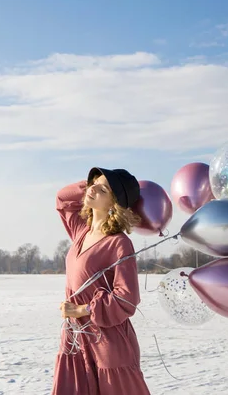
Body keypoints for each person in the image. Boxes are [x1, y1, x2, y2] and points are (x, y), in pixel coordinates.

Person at [51, 167, 151, 395]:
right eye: (93, 182)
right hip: (75, 339)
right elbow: (63, 198)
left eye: (103, 189)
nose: (93, 188)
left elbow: (127, 299)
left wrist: (81, 309)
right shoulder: (80, 231)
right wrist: (93, 185)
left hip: (107, 342)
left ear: (114, 204)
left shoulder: (119, 243)